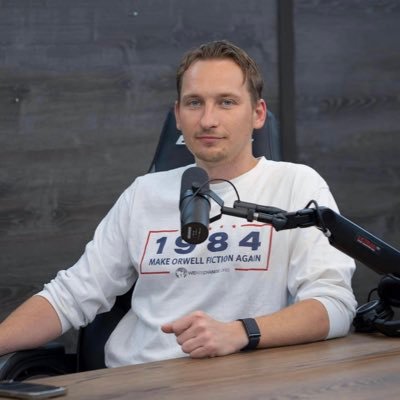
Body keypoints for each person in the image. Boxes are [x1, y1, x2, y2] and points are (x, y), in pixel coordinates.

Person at [0, 40, 357, 366]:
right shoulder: (144, 193)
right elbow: (69, 297)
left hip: (241, 380)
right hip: (134, 379)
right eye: (194, 102)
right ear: (177, 114)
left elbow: (334, 306)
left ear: (258, 113)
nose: (208, 120)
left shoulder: (295, 185)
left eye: (226, 102)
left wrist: (239, 332)